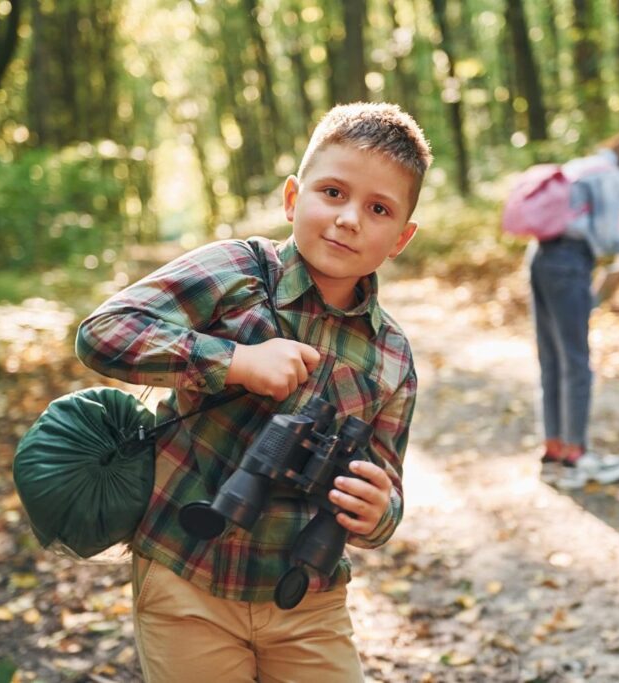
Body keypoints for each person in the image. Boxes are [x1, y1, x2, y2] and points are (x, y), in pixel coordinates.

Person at [76, 102, 431, 682]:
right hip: (185, 574)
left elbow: (387, 486)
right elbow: (101, 333)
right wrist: (234, 361)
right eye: (333, 192)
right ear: (293, 198)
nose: (348, 220)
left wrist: (376, 512)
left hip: (306, 597)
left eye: (378, 208)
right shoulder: (236, 271)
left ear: (401, 237)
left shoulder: (392, 356)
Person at [531, 124, 619, 489]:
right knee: (576, 363)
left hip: (540, 258)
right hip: (568, 263)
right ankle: (576, 457)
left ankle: (554, 452)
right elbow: (607, 238)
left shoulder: (583, 165)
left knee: (552, 359)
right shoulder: (611, 176)